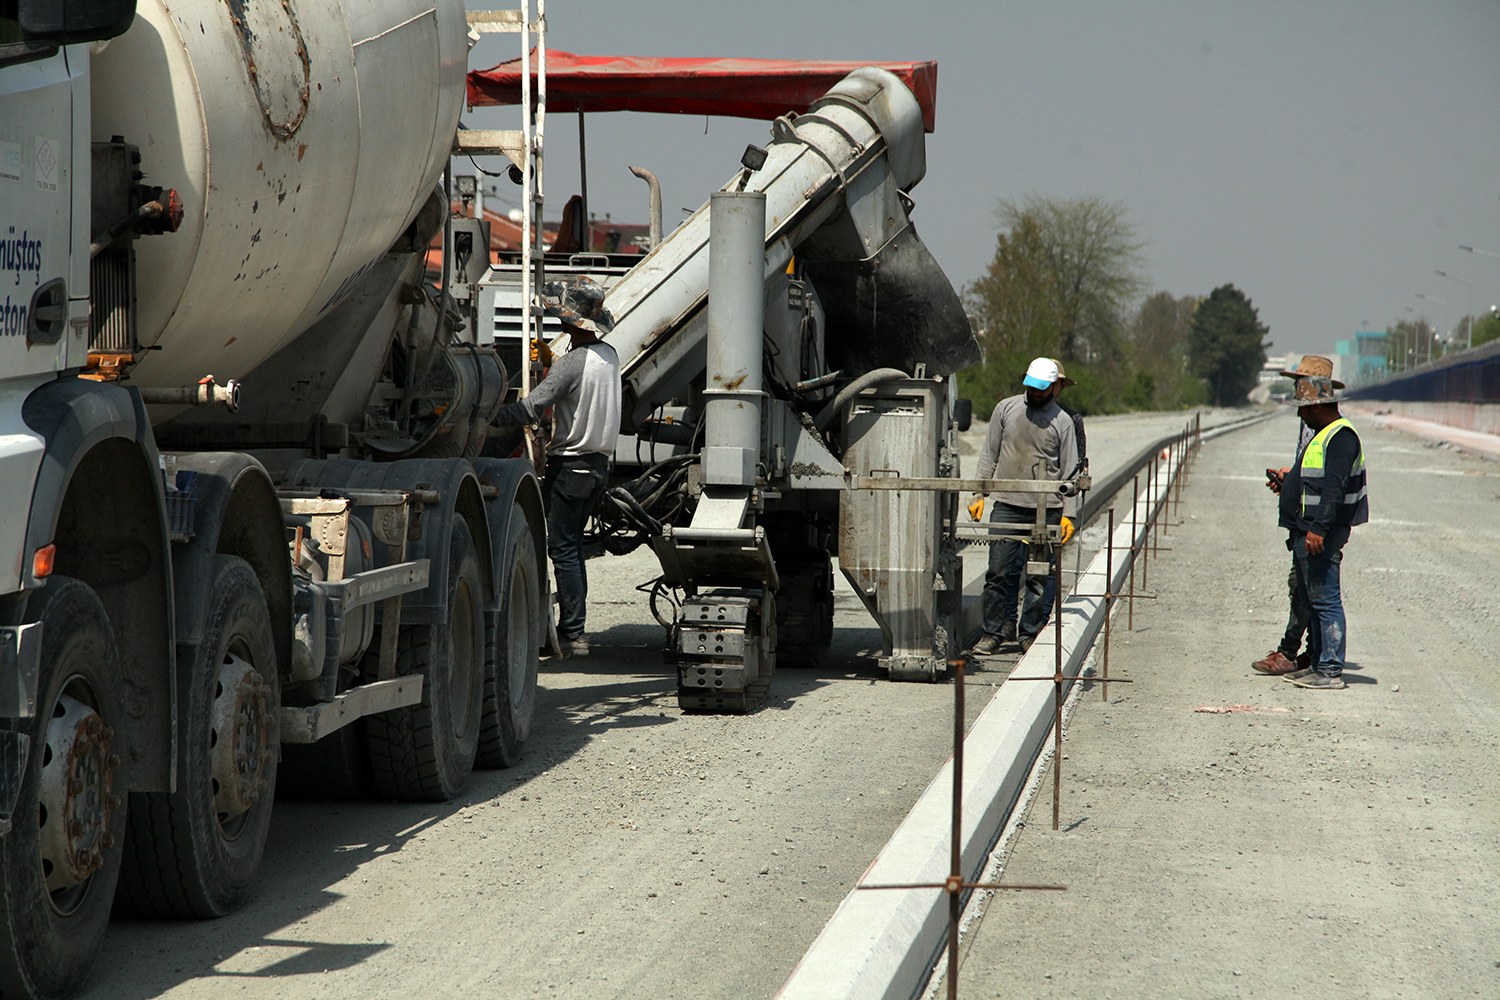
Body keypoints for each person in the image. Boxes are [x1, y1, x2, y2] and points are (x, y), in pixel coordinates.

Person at [492, 277, 621, 657]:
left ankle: (573, 634)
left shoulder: (570, 364)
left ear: (568, 324)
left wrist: (488, 417)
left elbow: (531, 407)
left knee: (562, 550)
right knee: (572, 548)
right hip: (597, 467)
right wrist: (552, 364)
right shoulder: (609, 355)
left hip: (571, 467)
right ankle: (573, 629)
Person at [969, 358, 1080, 654]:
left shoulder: (1063, 422)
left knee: (1038, 575)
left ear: (1053, 389)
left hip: (1046, 509)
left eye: (1041, 390)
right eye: (1031, 388)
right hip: (1006, 503)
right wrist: (978, 493)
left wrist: (1068, 514)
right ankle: (992, 632)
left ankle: (1029, 633)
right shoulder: (1005, 409)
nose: (1035, 394)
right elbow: (989, 454)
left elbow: (1071, 473)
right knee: (997, 573)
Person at [1273, 375, 1367, 690]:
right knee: (1313, 600)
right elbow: (1315, 480)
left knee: (1325, 600)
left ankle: (1330, 670)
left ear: (1316, 406)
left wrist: (1319, 528)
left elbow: (1335, 488)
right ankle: (1317, 664)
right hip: (1309, 529)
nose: (1300, 415)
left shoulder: (1340, 437)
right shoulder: (1323, 434)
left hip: (1320, 533)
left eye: (1303, 408)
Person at [1252, 356, 1343, 675]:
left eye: (1301, 389)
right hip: (1305, 522)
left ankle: (1313, 659)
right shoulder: (1313, 427)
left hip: (1314, 527)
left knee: (1312, 592)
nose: (1299, 406)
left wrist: (1318, 527)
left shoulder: (1332, 432)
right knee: (1303, 589)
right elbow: (1313, 471)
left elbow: (1333, 483)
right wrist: (1291, 480)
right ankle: (1308, 655)